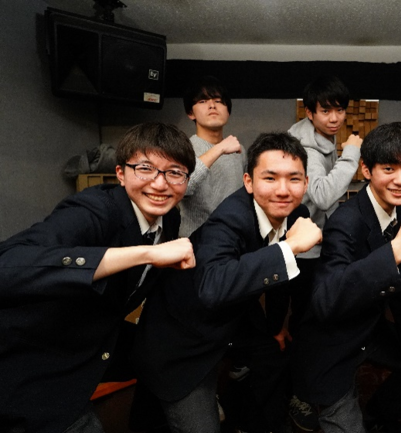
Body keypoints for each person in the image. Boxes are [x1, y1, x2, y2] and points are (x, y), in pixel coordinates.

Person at [0, 122, 196, 433]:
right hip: (33, 356)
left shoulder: (168, 217)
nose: (160, 184)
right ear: (121, 173)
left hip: (94, 337)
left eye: (175, 172)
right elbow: (8, 264)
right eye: (145, 168)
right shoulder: (95, 209)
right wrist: (145, 254)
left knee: (175, 353)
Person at [131, 132, 322, 433]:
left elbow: (280, 276)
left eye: (294, 179)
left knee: (274, 356)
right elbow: (212, 287)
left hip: (234, 314)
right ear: (248, 182)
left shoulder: (297, 212)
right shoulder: (229, 219)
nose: (283, 190)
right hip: (182, 333)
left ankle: (249, 422)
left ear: (306, 183)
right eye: (270, 178)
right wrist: (290, 247)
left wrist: (276, 326)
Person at [291, 122, 401, 433]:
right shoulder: (346, 221)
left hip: (372, 329)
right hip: (333, 338)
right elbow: (326, 300)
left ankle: (379, 415)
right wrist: (395, 251)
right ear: (367, 170)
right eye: (389, 169)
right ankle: (303, 399)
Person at [284, 75, 362, 430]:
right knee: (304, 324)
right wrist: (351, 155)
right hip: (301, 250)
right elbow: (322, 195)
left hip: (313, 243)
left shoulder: (322, 139)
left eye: (339, 110)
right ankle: (298, 395)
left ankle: (307, 384)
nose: (334, 117)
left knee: (310, 321)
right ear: (310, 112)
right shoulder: (307, 148)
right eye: (326, 110)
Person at [179, 75, 244, 237]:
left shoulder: (238, 150)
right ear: (191, 113)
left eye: (218, 101)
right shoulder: (183, 148)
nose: (212, 105)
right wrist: (219, 149)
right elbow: (182, 187)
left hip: (234, 237)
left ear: (228, 112)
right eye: (202, 101)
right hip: (195, 240)